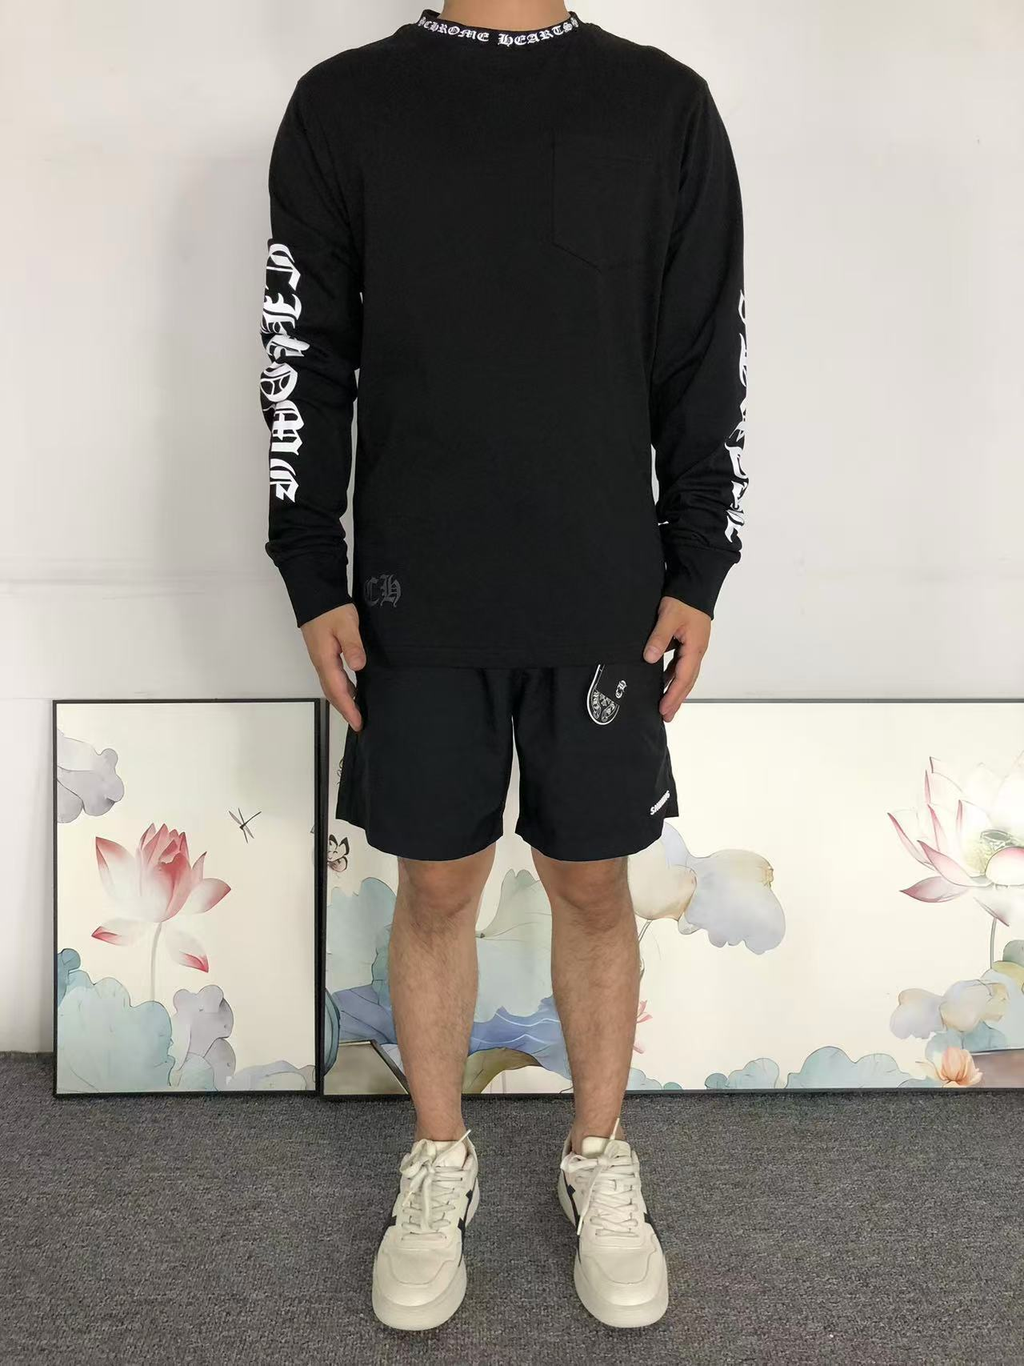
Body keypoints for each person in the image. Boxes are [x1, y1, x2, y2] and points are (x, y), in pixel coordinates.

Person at [260, 0, 746, 1333]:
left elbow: (701, 351)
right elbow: (305, 352)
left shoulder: (662, 107)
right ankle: (439, 1159)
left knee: (592, 880)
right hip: (416, 590)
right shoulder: (343, 106)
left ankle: (599, 1156)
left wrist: (699, 561)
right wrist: (312, 567)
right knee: (436, 884)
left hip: (602, 589)